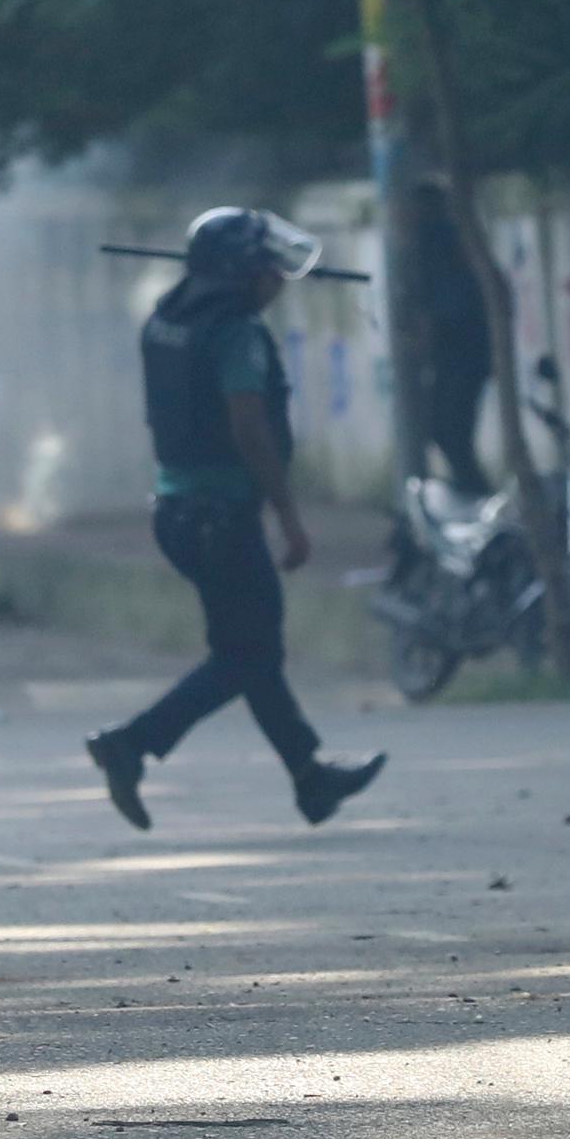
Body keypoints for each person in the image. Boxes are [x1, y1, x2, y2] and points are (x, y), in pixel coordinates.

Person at [85, 207, 385, 831]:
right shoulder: (237, 334)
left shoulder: (168, 318)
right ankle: (132, 743)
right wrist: (289, 515)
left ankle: (310, 778)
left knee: (249, 651)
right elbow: (248, 426)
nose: (276, 279)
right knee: (248, 656)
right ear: (240, 274)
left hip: (174, 512)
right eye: (266, 267)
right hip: (222, 516)